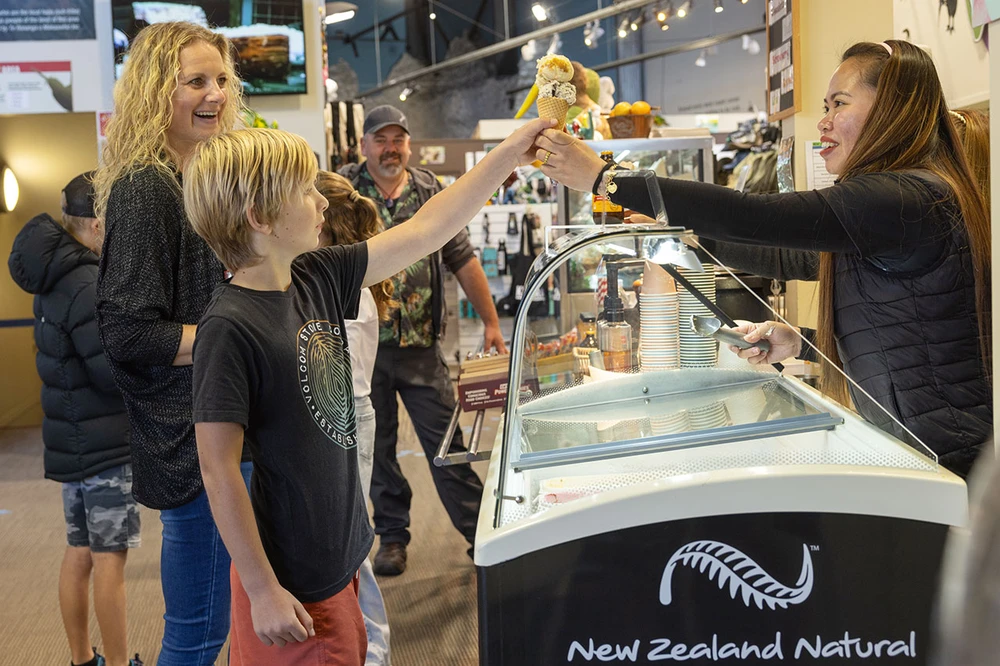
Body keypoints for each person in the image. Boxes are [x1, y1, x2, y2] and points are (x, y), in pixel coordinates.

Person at [535, 40, 991, 477]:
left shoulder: (904, 197)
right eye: (826, 107)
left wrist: (606, 178)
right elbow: (788, 257)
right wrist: (803, 342)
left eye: (839, 104)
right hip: (922, 452)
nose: (823, 122)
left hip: (949, 461)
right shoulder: (894, 202)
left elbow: (754, 217)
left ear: (891, 109)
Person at [185, 122, 549, 664]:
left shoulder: (316, 275)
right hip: (292, 583)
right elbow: (218, 469)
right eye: (305, 191)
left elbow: (429, 228)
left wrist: (509, 154)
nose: (321, 203)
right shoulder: (229, 327)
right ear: (261, 219)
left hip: (341, 554)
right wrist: (262, 590)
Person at [92, 22, 250, 665]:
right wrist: (239, 343)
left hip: (226, 432)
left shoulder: (201, 179)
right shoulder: (146, 187)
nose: (213, 94)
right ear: (159, 90)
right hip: (193, 449)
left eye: (220, 79)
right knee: (199, 633)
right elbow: (129, 331)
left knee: (228, 626)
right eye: (195, 81)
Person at [339, 105, 508, 576]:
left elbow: (463, 259)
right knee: (377, 451)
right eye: (381, 139)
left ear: (409, 145)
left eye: (398, 139)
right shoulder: (344, 191)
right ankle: (392, 538)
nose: (390, 148)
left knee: (447, 445)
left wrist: (491, 322)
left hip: (420, 350)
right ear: (364, 145)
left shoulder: (430, 190)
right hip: (362, 352)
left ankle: (482, 539)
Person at [7, 174, 143, 666]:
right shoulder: (85, 279)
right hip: (104, 441)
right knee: (110, 558)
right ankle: (121, 659)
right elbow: (107, 371)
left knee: (80, 551)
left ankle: (82, 658)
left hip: (74, 440)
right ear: (98, 222)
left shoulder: (54, 274)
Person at [316, 169, 395, 665]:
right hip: (346, 417)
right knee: (349, 543)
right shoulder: (346, 278)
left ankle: (374, 651)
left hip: (346, 419)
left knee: (352, 547)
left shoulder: (342, 286)